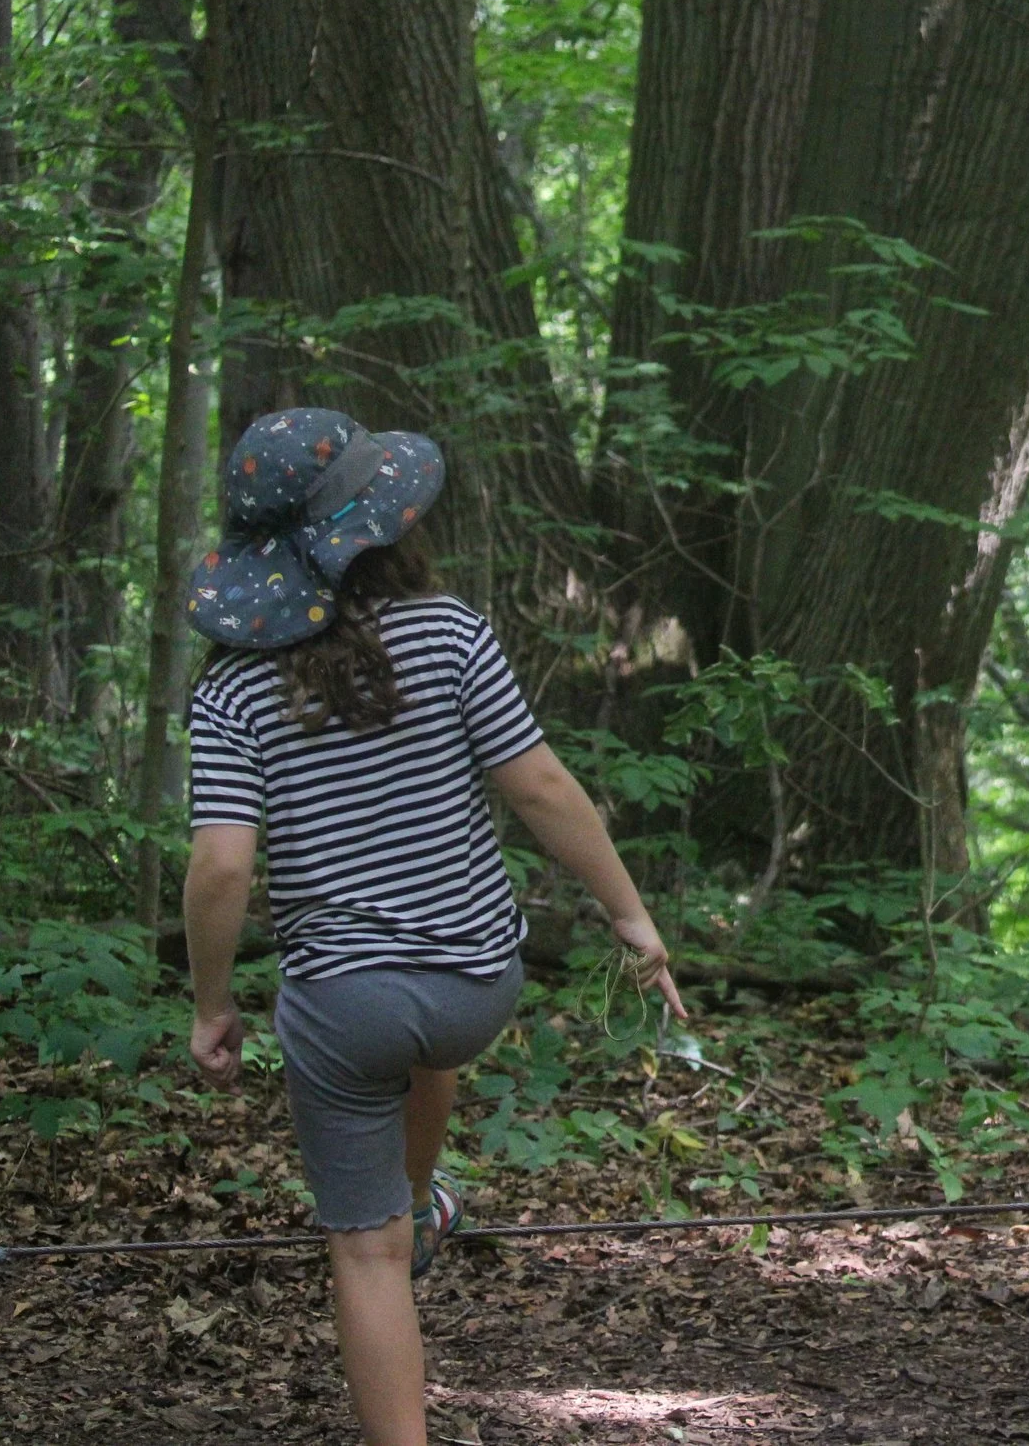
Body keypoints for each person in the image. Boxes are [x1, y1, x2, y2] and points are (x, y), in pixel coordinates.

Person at [178, 407, 688, 1446]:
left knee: (363, 1253)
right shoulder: (448, 629)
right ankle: (419, 1198)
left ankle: (399, 1237)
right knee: (423, 1042)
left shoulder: (231, 688)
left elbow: (223, 864)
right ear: (386, 525)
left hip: (347, 1003)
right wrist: (631, 916)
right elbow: (541, 788)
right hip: (476, 984)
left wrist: (212, 1002)